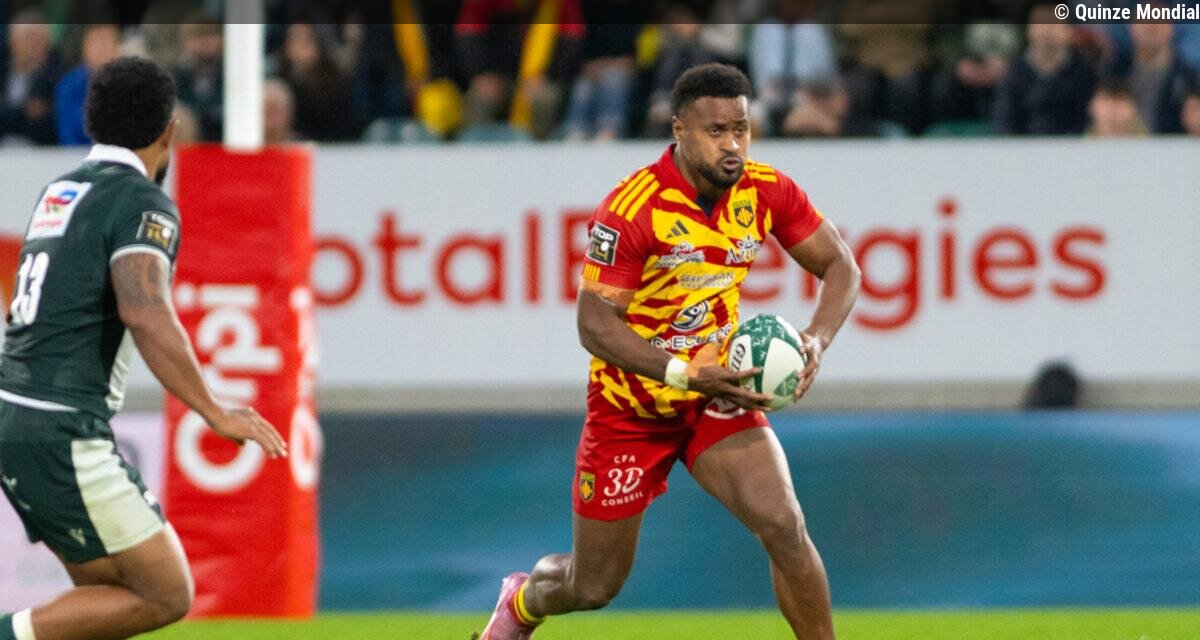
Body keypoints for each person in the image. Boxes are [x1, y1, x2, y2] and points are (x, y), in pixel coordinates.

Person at [479, 63, 860, 640]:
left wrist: (815, 339)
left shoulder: (765, 189)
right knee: (593, 586)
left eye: (741, 129)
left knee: (784, 525)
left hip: (717, 397)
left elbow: (840, 265)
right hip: (630, 409)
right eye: (716, 131)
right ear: (680, 130)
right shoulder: (633, 208)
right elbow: (594, 325)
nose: (732, 145)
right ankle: (522, 600)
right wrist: (684, 372)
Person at [0, 57, 287, 640]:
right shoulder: (141, 201)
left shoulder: (62, 191)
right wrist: (215, 411)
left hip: (17, 409)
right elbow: (146, 309)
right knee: (165, 592)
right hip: (61, 424)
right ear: (169, 130)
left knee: (105, 600)